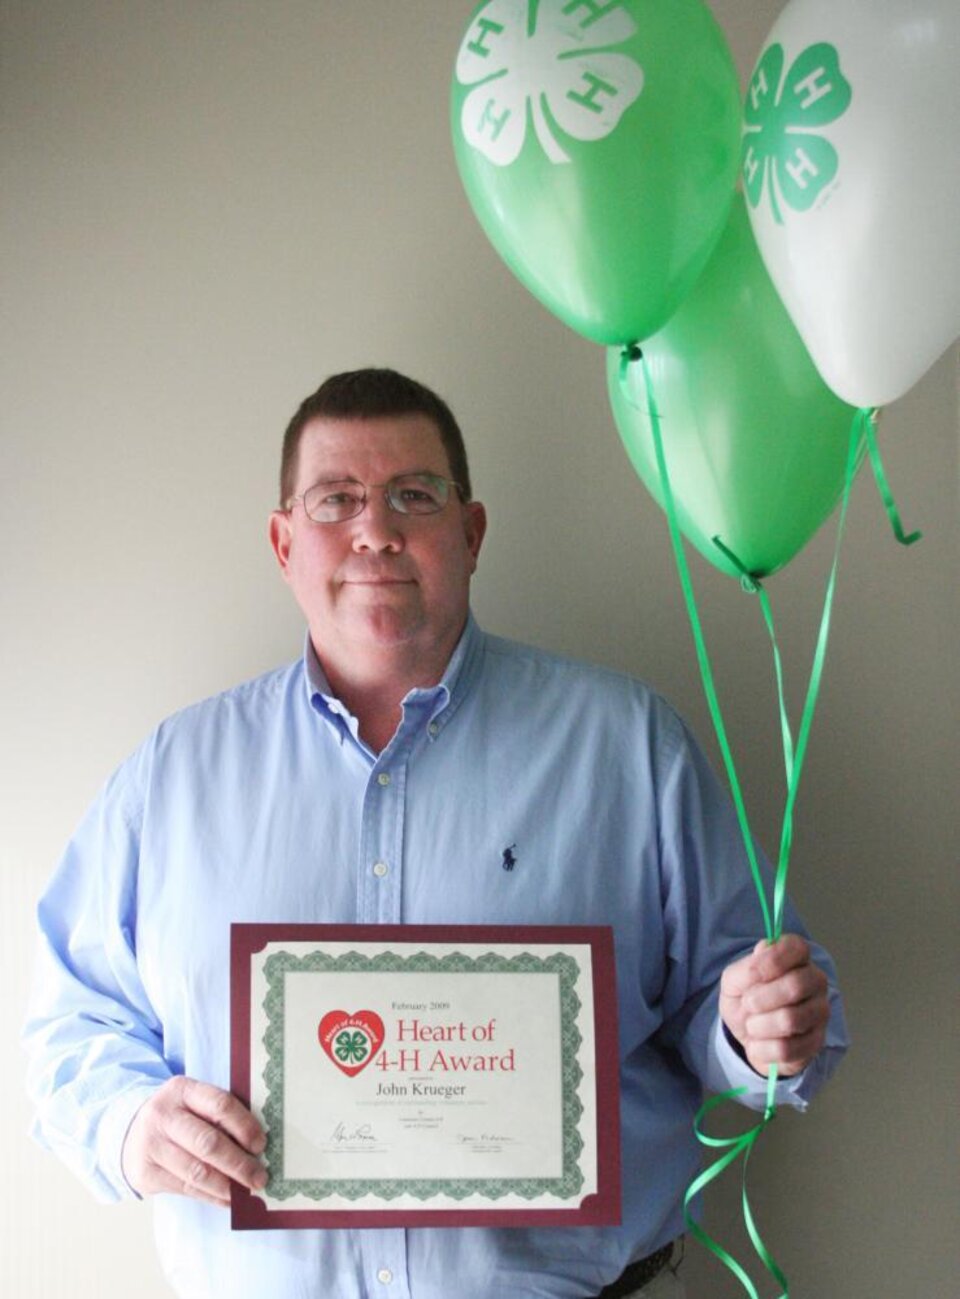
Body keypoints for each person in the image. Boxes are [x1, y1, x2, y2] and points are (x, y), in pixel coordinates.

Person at [24, 368, 847, 1299]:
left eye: (415, 494)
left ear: (472, 532)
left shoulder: (627, 744)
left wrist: (757, 1027)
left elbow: (730, 997)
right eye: (337, 499)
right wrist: (131, 1125)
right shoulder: (171, 776)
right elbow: (65, 1021)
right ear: (283, 541)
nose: (376, 528)